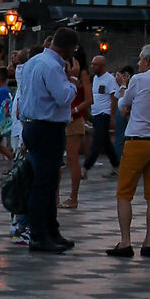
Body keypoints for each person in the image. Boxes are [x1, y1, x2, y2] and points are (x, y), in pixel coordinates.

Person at [16, 25, 80, 254]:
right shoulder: (53, 66)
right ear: (68, 50)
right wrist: (73, 80)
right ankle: (39, 235)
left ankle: (52, 230)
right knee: (43, 183)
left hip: (33, 125)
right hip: (47, 128)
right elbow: (63, 97)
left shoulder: (34, 61)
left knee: (48, 181)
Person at [110, 43, 150, 260]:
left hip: (137, 140)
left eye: (140, 59)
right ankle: (148, 241)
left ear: (147, 60)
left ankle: (126, 241)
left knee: (124, 193)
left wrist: (122, 89)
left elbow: (123, 104)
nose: (138, 63)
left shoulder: (138, 79)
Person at [62, 48, 88, 211]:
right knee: (59, 161)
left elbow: (89, 99)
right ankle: (56, 196)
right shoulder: (62, 72)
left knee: (72, 160)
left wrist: (76, 110)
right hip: (61, 119)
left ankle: (73, 196)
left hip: (74, 119)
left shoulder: (82, 74)